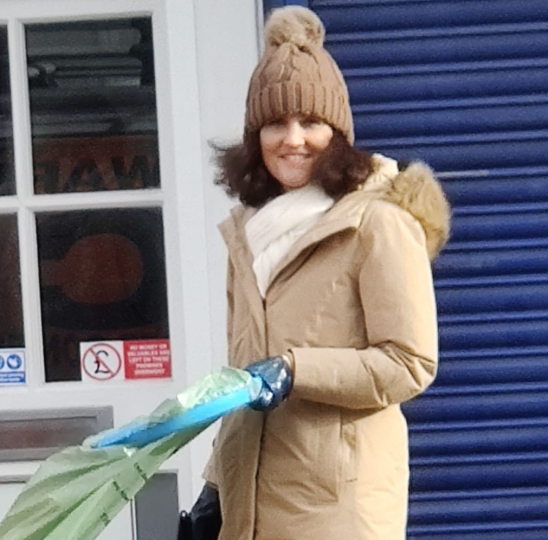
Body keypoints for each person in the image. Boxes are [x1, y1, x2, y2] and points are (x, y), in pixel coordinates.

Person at [199, 6, 451, 540]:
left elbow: (410, 364)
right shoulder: (246, 234)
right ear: (255, 135)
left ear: (337, 133)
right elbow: (243, 374)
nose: (292, 139)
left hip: (340, 510)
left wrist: (296, 370)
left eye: (311, 122)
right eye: (275, 123)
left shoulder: (378, 222)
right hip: (252, 508)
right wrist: (214, 485)